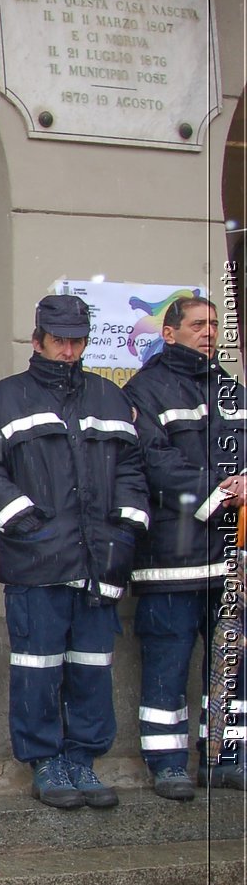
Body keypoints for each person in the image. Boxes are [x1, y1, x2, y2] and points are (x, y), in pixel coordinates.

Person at [0, 294, 149, 810]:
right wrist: (28, 523)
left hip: (100, 564)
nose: (69, 351)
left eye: (77, 341)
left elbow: (133, 471)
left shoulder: (110, 400)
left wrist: (125, 532)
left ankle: (83, 761)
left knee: (92, 669)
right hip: (38, 566)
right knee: (38, 670)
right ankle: (46, 762)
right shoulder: (4, 399)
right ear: (38, 339)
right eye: (60, 341)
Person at [123, 296, 247, 798]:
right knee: (167, 667)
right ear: (169, 334)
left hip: (230, 561)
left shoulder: (233, 392)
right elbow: (153, 461)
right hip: (170, 561)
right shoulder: (144, 391)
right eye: (198, 324)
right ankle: (168, 762)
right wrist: (220, 489)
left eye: (216, 324)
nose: (209, 332)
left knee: (230, 665)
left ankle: (222, 758)